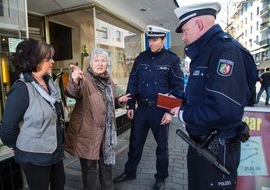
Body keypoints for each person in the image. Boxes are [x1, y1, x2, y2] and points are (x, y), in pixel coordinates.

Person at [171, 2, 259, 190]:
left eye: (185, 31)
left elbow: (222, 108)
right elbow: (200, 96)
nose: (184, 38)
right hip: (201, 145)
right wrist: (179, 103)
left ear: (200, 25)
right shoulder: (206, 52)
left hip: (217, 149)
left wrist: (183, 114)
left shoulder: (226, 50)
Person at [113, 25, 184, 190]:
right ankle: (130, 172)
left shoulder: (172, 60)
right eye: (149, 39)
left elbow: (178, 87)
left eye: (155, 39)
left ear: (163, 40)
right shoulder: (141, 58)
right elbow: (134, 82)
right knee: (134, 143)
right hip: (142, 110)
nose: (151, 43)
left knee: (162, 147)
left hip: (160, 110)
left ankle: (161, 178)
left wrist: (169, 112)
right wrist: (131, 105)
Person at [0, 38, 66, 190]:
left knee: (59, 185)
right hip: (34, 156)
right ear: (35, 61)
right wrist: (17, 145)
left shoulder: (49, 83)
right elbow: (7, 128)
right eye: (48, 58)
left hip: (55, 152)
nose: (53, 61)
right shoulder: (22, 89)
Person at [64, 48, 131, 190]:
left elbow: (106, 103)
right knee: (89, 169)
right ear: (90, 63)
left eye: (103, 60)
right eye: (96, 60)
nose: (100, 63)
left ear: (107, 63)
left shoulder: (109, 82)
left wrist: (119, 101)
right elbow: (72, 92)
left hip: (105, 134)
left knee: (106, 166)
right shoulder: (85, 79)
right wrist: (74, 79)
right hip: (88, 133)